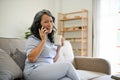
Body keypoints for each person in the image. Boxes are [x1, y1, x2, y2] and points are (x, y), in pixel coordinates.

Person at [23, 9, 80, 80]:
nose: (50, 24)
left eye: (51, 21)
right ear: (38, 24)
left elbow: (53, 60)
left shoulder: (50, 39)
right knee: (67, 66)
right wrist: (43, 40)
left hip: (46, 70)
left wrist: (59, 47)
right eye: (46, 22)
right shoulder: (32, 39)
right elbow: (31, 59)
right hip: (33, 71)